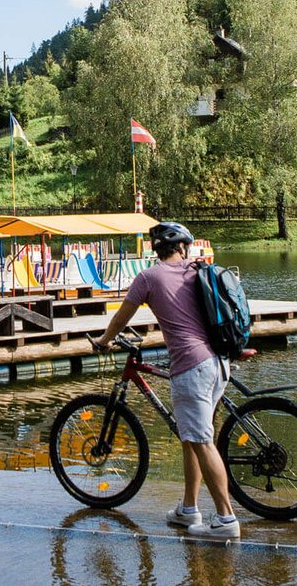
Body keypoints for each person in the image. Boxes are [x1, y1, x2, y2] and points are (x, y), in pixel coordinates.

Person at [91, 220, 239, 540]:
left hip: (191, 367)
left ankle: (226, 519)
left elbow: (121, 316)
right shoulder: (196, 270)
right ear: (183, 247)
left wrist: (103, 341)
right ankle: (188, 509)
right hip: (217, 362)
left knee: (200, 440)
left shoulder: (149, 277)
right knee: (191, 436)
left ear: (155, 250)